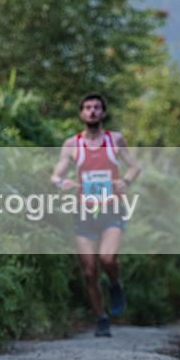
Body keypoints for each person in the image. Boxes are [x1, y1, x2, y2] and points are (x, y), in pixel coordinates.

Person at [50, 93, 141, 337]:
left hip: (112, 209)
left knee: (108, 259)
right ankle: (101, 318)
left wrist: (126, 180)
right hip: (84, 212)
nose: (92, 111)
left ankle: (114, 284)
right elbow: (56, 175)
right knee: (89, 270)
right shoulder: (72, 144)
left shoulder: (115, 140)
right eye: (88, 107)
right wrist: (62, 183)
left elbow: (134, 166)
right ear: (81, 113)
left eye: (97, 107)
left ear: (103, 113)